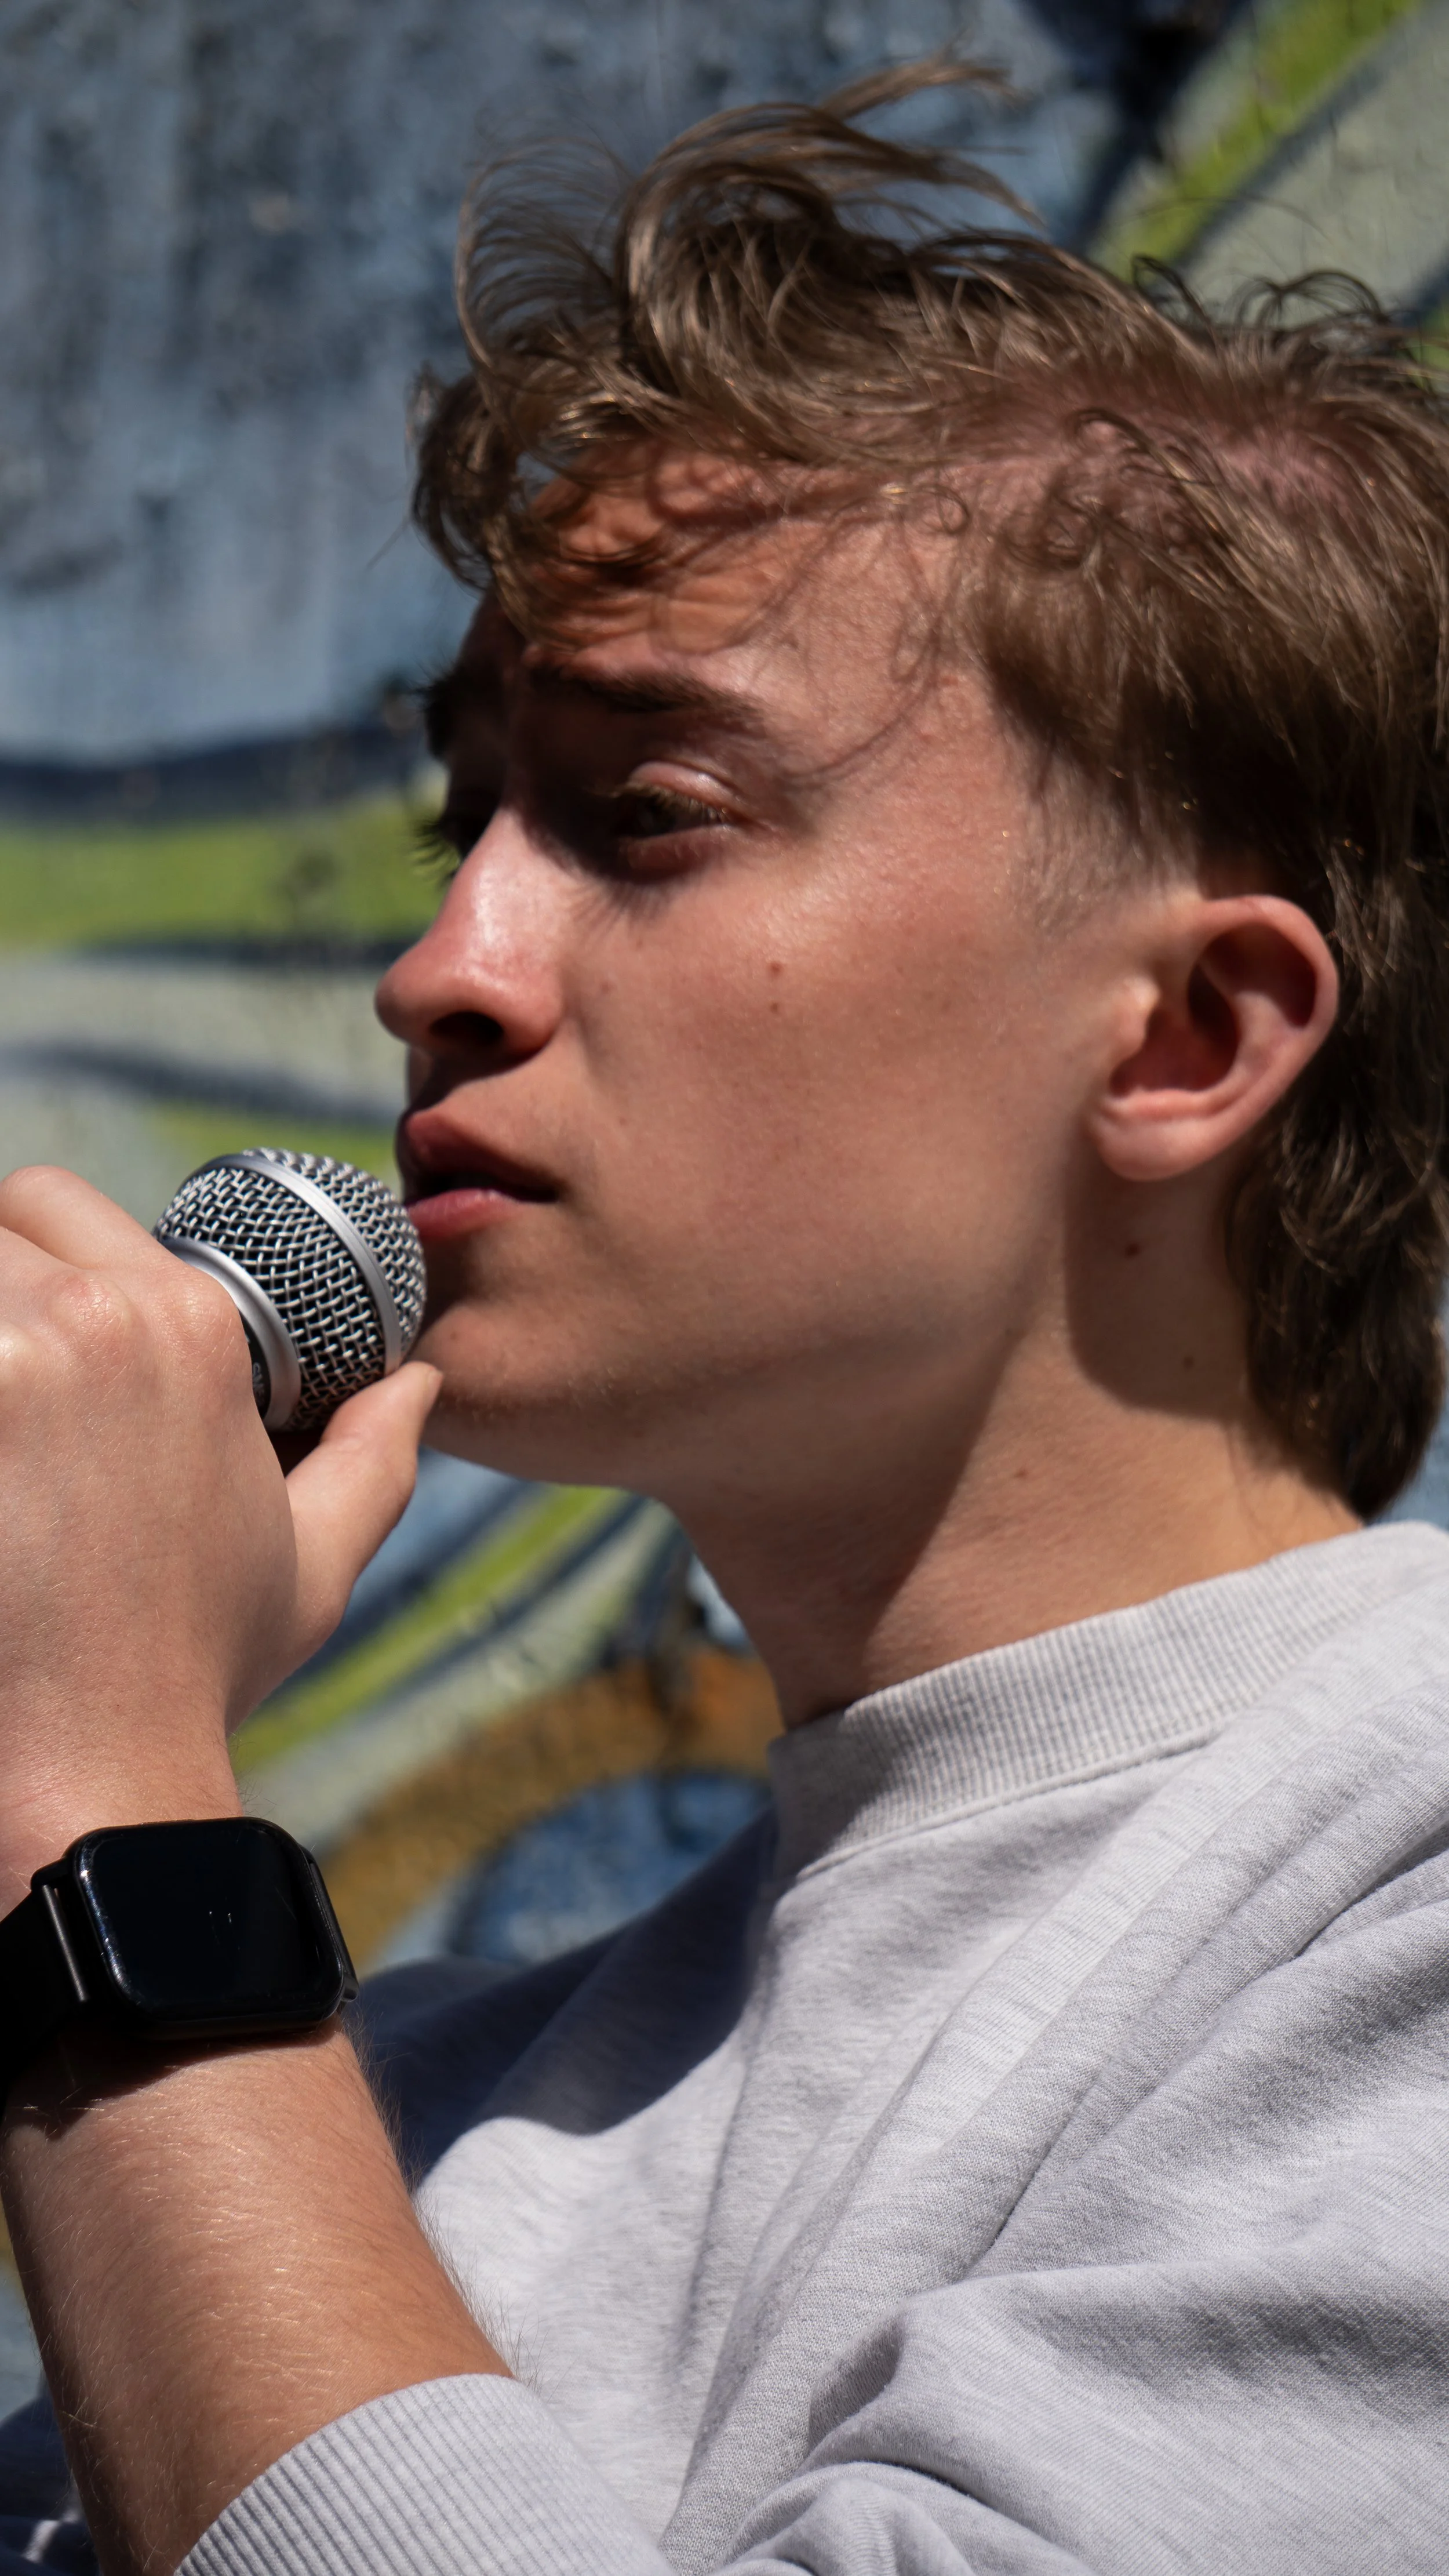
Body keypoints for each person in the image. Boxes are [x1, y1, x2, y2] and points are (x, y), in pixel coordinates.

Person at [2, 59, 1448, 2576]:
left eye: (645, 814)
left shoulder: (1379, 1892)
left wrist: (112, 1821)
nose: (440, 968)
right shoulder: (402, 2114)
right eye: (465, 821)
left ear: (1189, 1039)